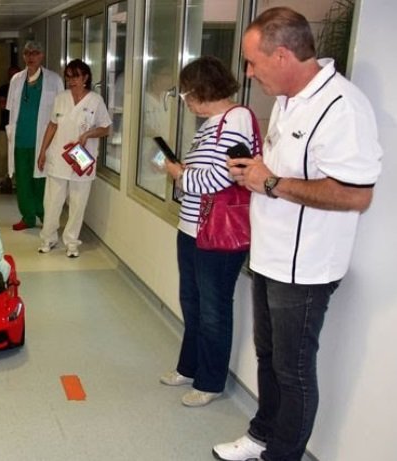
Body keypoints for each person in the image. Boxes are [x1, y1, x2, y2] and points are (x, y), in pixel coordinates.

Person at [213, 7, 382, 461]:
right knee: (268, 359)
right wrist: (256, 175)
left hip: (306, 265)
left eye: (253, 62)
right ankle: (261, 434)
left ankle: (281, 455)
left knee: (294, 370)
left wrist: (270, 182)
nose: (248, 72)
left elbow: (356, 195)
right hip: (270, 253)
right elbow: (284, 171)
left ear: (283, 55)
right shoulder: (288, 100)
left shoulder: (342, 106)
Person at [157, 56, 259, 407]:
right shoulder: (210, 124)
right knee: (192, 302)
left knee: (214, 308)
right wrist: (185, 173)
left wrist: (179, 175)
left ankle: (211, 380)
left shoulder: (236, 120)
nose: (185, 102)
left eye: (187, 94)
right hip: (192, 228)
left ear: (203, 90)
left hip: (219, 234)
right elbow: (205, 174)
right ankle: (190, 366)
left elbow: (221, 177)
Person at [36, 59, 111, 258]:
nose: (72, 81)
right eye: (68, 77)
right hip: (58, 157)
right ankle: (48, 238)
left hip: (82, 160)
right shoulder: (61, 98)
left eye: (76, 76)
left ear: (85, 77)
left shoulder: (95, 100)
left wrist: (88, 135)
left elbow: (106, 128)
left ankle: (71, 242)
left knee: (78, 204)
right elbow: (52, 125)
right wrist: (42, 151)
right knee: (52, 202)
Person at [5, 41, 64, 230]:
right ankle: (28, 217)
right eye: (27, 53)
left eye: (35, 53)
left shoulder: (54, 80)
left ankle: (45, 214)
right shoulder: (16, 80)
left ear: (42, 56)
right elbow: (10, 109)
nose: (31, 57)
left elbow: (61, 112)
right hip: (20, 139)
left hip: (43, 141)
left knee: (41, 180)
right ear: (23, 56)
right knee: (22, 181)